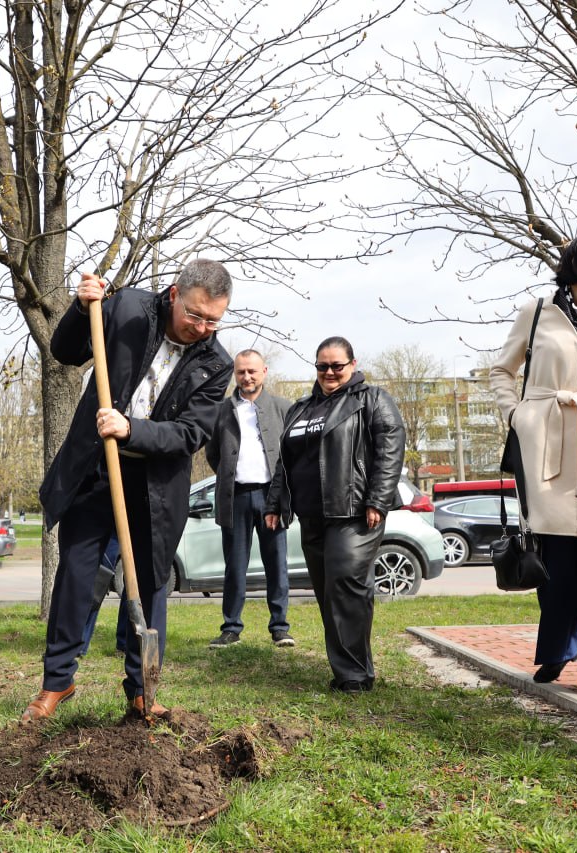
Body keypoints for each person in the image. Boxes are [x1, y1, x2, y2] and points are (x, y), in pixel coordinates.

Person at [21, 260, 233, 722]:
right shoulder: (128, 309)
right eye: (195, 314)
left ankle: (142, 689)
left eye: (212, 320)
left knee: (151, 584)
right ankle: (58, 681)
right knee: (75, 576)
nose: (201, 328)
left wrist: (132, 429)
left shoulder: (215, 364)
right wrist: (82, 309)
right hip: (96, 469)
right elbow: (66, 351)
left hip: (156, 486)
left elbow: (191, 434)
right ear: (174, 294)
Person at [489, 231, 577, 699]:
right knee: (555, 561)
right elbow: (501, 370)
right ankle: (556, 650)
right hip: (544, 441)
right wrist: (517, 414)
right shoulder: (536, 311)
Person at [263, 337, 403, 693]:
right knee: (328, 591)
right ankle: (349, 668)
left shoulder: (372, 400)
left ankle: (354, 675)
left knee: (346, 585)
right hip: (312, 515)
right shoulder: (301, 408)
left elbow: (390, 449)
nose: (329, 372)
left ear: (352, 365)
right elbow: (284, 462)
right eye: (322, 366)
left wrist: (378, 500)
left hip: (354, 512)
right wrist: (274, 502)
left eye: (337, 366)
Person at [205, 350, 294, 649]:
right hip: (236, 497)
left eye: (252, 371)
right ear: (235, 373)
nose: (247, 377)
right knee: (235, 566)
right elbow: (213, 454)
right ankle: (231, 628)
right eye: (241, 371)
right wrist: (230, 476)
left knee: (277, 564)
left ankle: (280, 627)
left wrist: (281, 495)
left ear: (264, 371)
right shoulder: (222, 410)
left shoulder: (283, 408)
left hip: (272, 497)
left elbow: (292, 454)